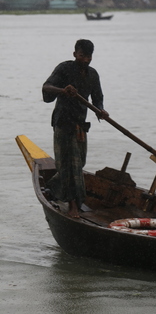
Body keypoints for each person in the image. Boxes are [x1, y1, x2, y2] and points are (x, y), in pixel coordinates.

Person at [42, 39, 109, 218]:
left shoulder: (92, 74)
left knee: (79, 163)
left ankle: (52, 188)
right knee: (70, 166)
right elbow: (46, 87)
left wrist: (100, 110)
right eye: (82, 56)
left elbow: (97, 97)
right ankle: (73, 205)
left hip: (80, 125)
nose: (86, 60)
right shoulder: (64, 68)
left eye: (89, 57)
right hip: (63, 123)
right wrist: (63, 90)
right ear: (74, 55)